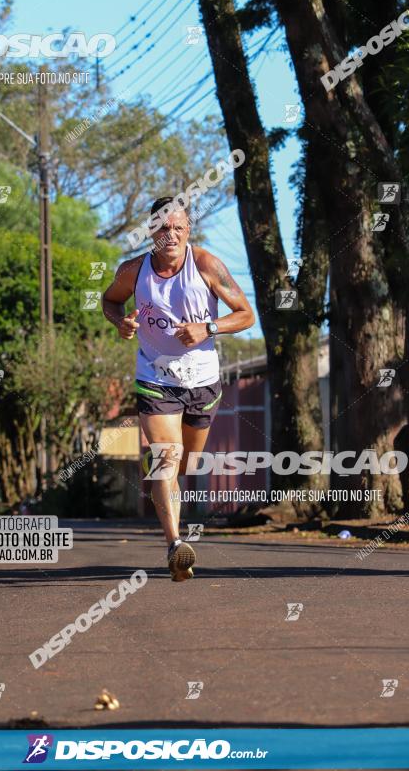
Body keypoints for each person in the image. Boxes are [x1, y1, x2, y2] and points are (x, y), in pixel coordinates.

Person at [102, 197, 255, 581]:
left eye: (178, 228)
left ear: (188, 230)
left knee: (185, 465)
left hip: (202, 380)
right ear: (151, 231)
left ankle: (156, 473)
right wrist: (119, 323)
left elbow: (246, 314)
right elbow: (109, 301)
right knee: (167, 460)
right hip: (156, 378)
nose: (170, 234)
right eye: (162, 228)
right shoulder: (133, 271)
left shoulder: (205, 265)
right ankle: (175, 545)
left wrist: (209, 328)